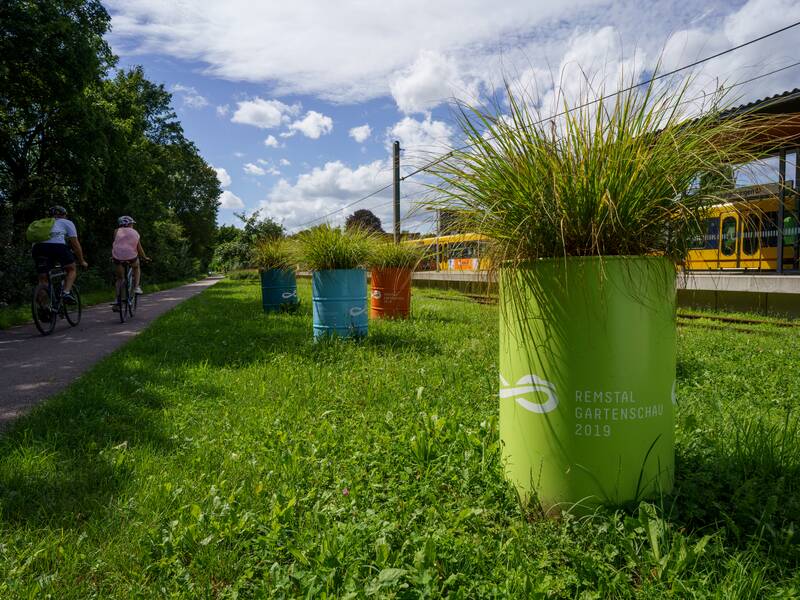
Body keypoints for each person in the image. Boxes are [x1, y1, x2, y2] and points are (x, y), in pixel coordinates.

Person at [31, 206, 88, 304]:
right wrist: (82, 261)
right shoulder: (67, 222)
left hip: (38, 248)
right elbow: (75, 244)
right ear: (64, 215)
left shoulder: (42, 223)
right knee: (71, 269)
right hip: (57, 247)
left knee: (43, 279)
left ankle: (43, 309)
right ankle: (66, 293)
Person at [112, 216, 149, 305]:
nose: (133, 225)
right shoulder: (135, 232)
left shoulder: (116, 231)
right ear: (129, 224)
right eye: (132, 224)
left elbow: (117, 243)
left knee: (120, 279)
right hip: (131, 257)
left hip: (117, 256)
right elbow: (139, 248)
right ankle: (136, 287)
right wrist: (144, 257)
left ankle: (117, 300)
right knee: (136, 267)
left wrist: (113, 255)